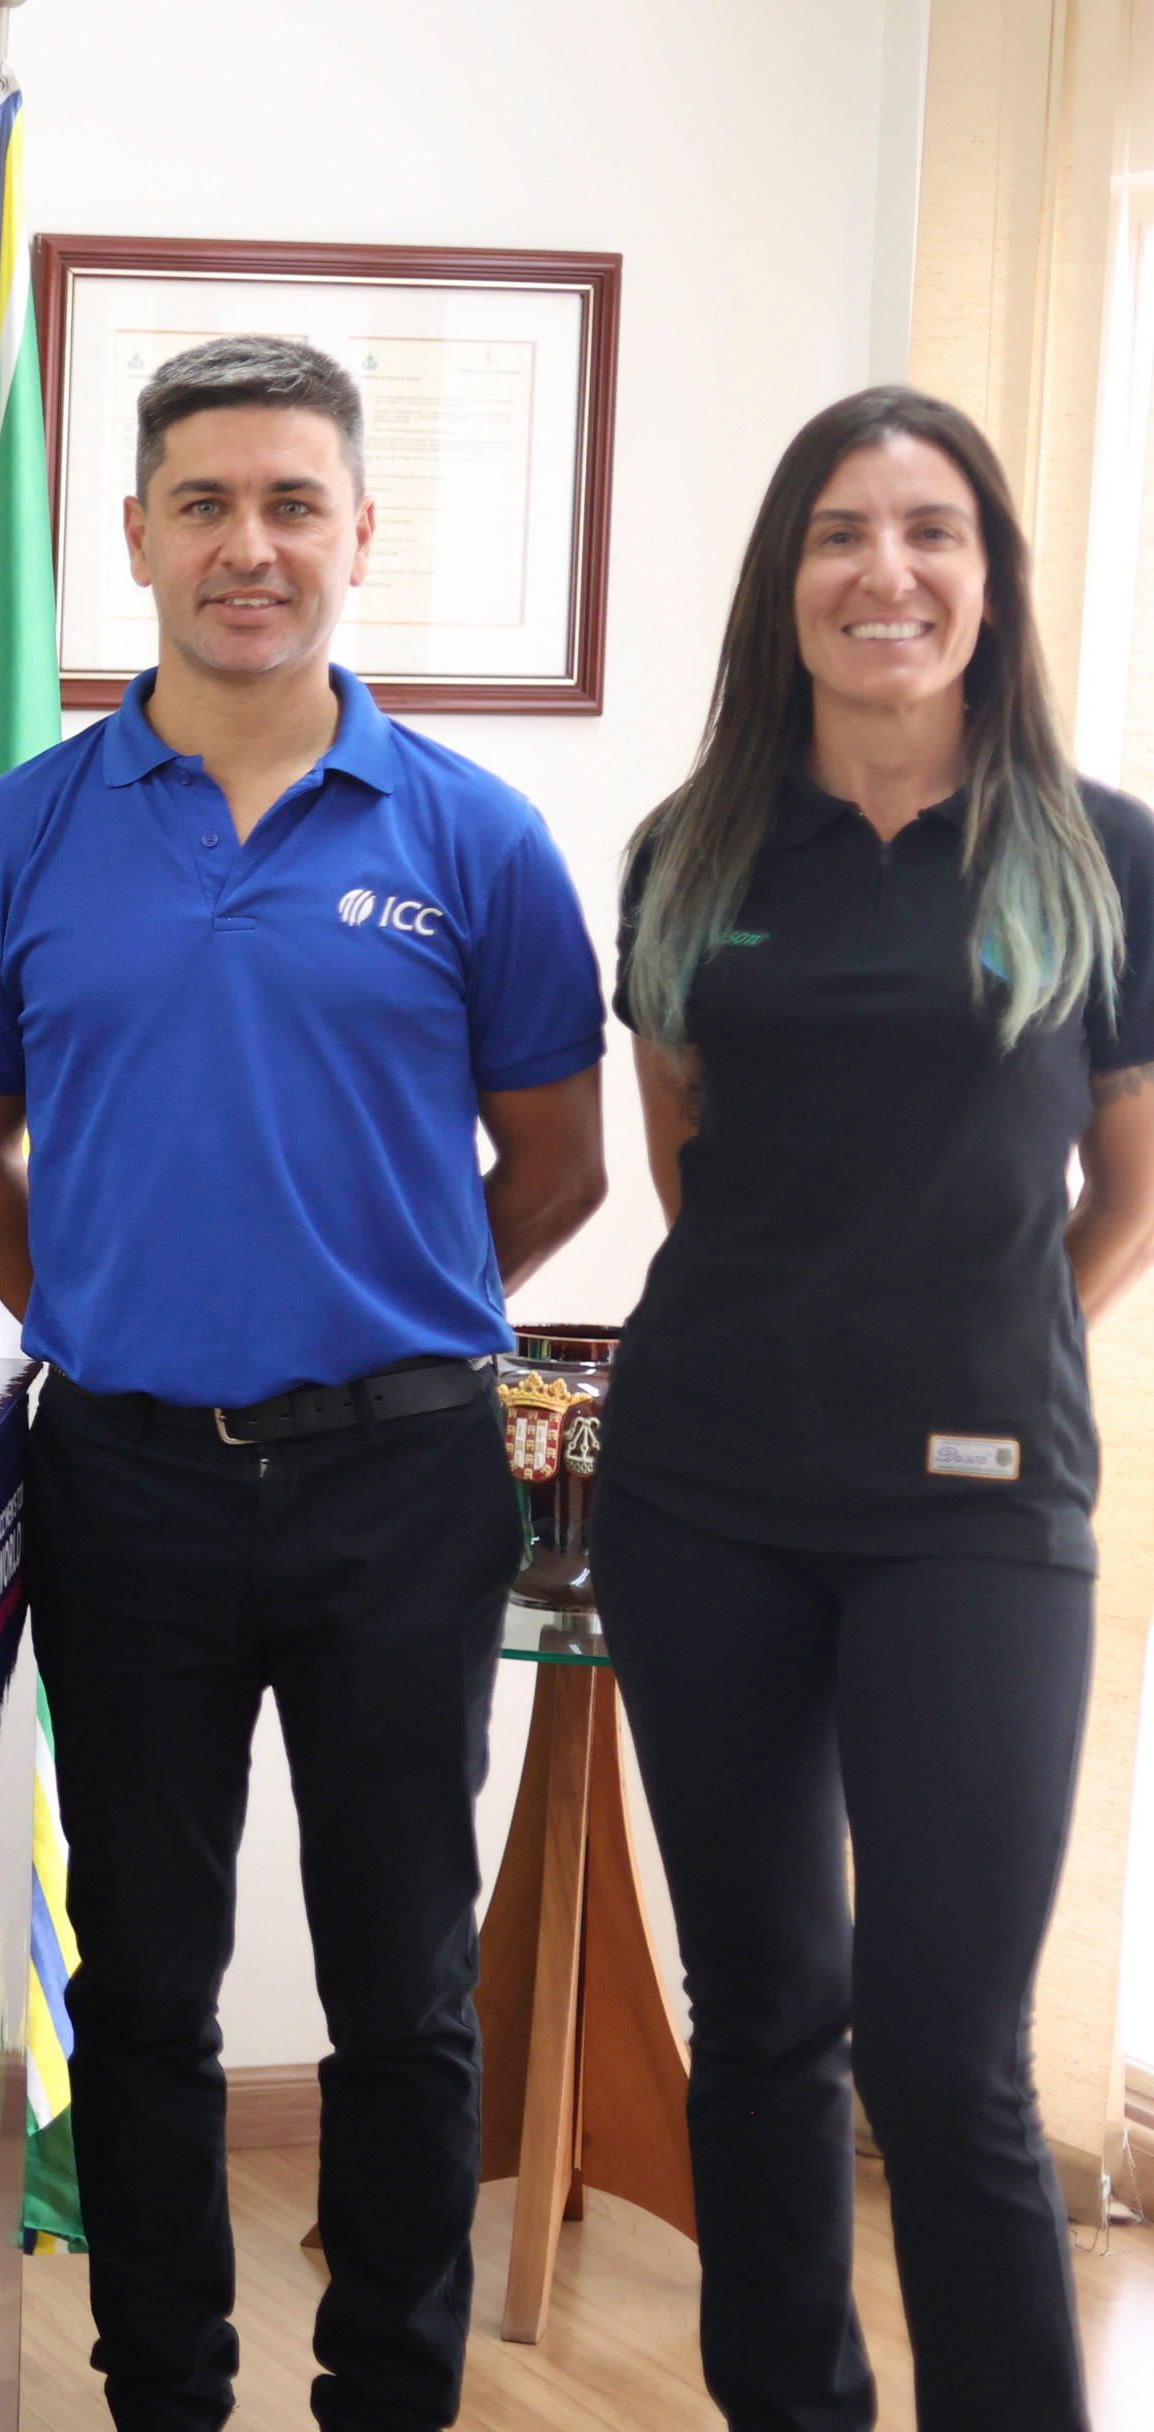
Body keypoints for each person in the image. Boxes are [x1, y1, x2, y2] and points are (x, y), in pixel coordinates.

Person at [0, 333, 610, 2432]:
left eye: (293, 502)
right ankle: (167, 2393)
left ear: (359, 535)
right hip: (123, 1483)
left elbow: (561, 1164)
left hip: (404, 1481)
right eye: (205, 503)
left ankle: (388, 2395)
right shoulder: (16, 839)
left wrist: (383, 1307)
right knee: (143, 1986)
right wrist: (118, 1312)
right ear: (135, 535)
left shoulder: (475, 837)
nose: (250, 545)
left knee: (405, 1988)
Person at [596, 387, 1154, 2431]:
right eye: (840, 532)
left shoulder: (1103, 854)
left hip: (981, 1513)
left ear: (991, 581)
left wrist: (973, 1341)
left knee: (947, 2051)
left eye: (933, 532)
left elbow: (1130, 1187)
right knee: (762, 2013)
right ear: (787, 581)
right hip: (705, 1494)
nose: (885, 572)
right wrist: (815, 1330)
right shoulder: (692, 851)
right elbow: (690, 1160)